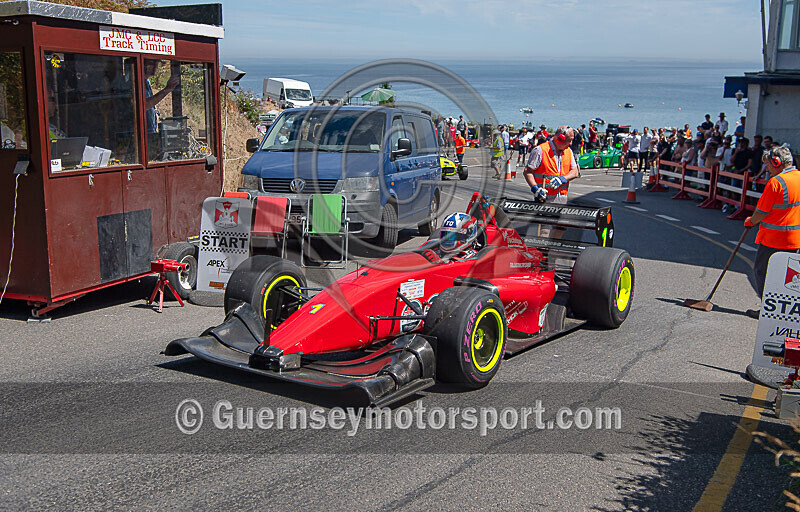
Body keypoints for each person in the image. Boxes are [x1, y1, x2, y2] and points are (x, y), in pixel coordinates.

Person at [744, 146, 800, 317]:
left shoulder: (776, 183)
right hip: (795, 239)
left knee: (762, 272)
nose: (767, 169)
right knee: (790, 278)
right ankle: (789, 311)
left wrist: (750, 221)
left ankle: (768, 309)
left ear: (777, 163)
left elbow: (761, 212)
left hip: (774, 239)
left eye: (768, 165)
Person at [523, 125, 579, 204]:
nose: (571, 143)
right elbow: (527, 171)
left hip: (562, 200)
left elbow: (575, 172)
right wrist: (535, 189)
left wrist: (562, 179)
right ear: (560, 139)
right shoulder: (540, 151)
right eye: (569, 140)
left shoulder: (568, 151)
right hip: (543, 200)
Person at [143, 59, 179, 135]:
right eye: (152, 63)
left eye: (157, 63)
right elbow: (145, 105)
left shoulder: (147, 82)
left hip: (150, 132)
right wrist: (168, 89)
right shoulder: (135, 81)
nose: (155, 66)